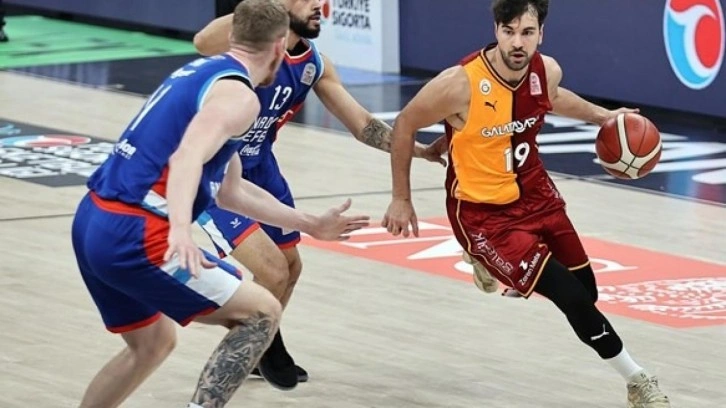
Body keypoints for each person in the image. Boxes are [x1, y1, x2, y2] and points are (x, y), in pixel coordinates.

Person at [71, 1, 369, 407]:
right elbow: (187, 157)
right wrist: (180, 231)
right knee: (262, 313)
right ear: (280, 48)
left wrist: (311, 224)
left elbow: (232, 191)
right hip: (137, 232)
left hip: (92, 220)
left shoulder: (203, 72)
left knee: (152, 345)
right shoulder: (240, 98)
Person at [381, 1, 671, 407]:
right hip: (484, 215)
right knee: (570, 298)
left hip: (536, 195)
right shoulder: (459, 84)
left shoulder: (545, 71)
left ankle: (496, 266)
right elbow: (405, 123)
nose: (517, 42)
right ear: (496, 30)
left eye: (527, 32)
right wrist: (401, 198)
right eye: (509, 31)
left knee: (586, 293)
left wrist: (603, 117)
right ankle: (638, 380)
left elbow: (552, 97)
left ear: (541, 34)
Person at [192, 0, 443, 390]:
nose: (320, 7)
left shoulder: (315, 63)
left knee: (291, 268)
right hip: (215, 169)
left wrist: (419, 150)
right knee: (272, 269)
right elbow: (202, 41)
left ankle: (258, 343)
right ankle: (253, 349)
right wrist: (270, 9)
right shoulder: (248, 43)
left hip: (262, 168)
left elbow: (362, 124)